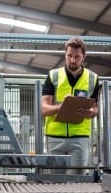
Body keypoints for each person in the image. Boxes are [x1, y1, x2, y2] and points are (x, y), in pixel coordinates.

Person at [41, 37, 100, 175]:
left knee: (78, 183)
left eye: (77, 56)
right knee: (56, 183)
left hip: (79, 138)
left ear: (83, 56)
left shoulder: (93, 79)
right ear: (65, 55)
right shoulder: (53, 76)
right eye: (69, 56)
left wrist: (91, 112)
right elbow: (44, 108)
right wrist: (61, 107)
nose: (73, 60)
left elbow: (96, 108)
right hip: (55, 138)